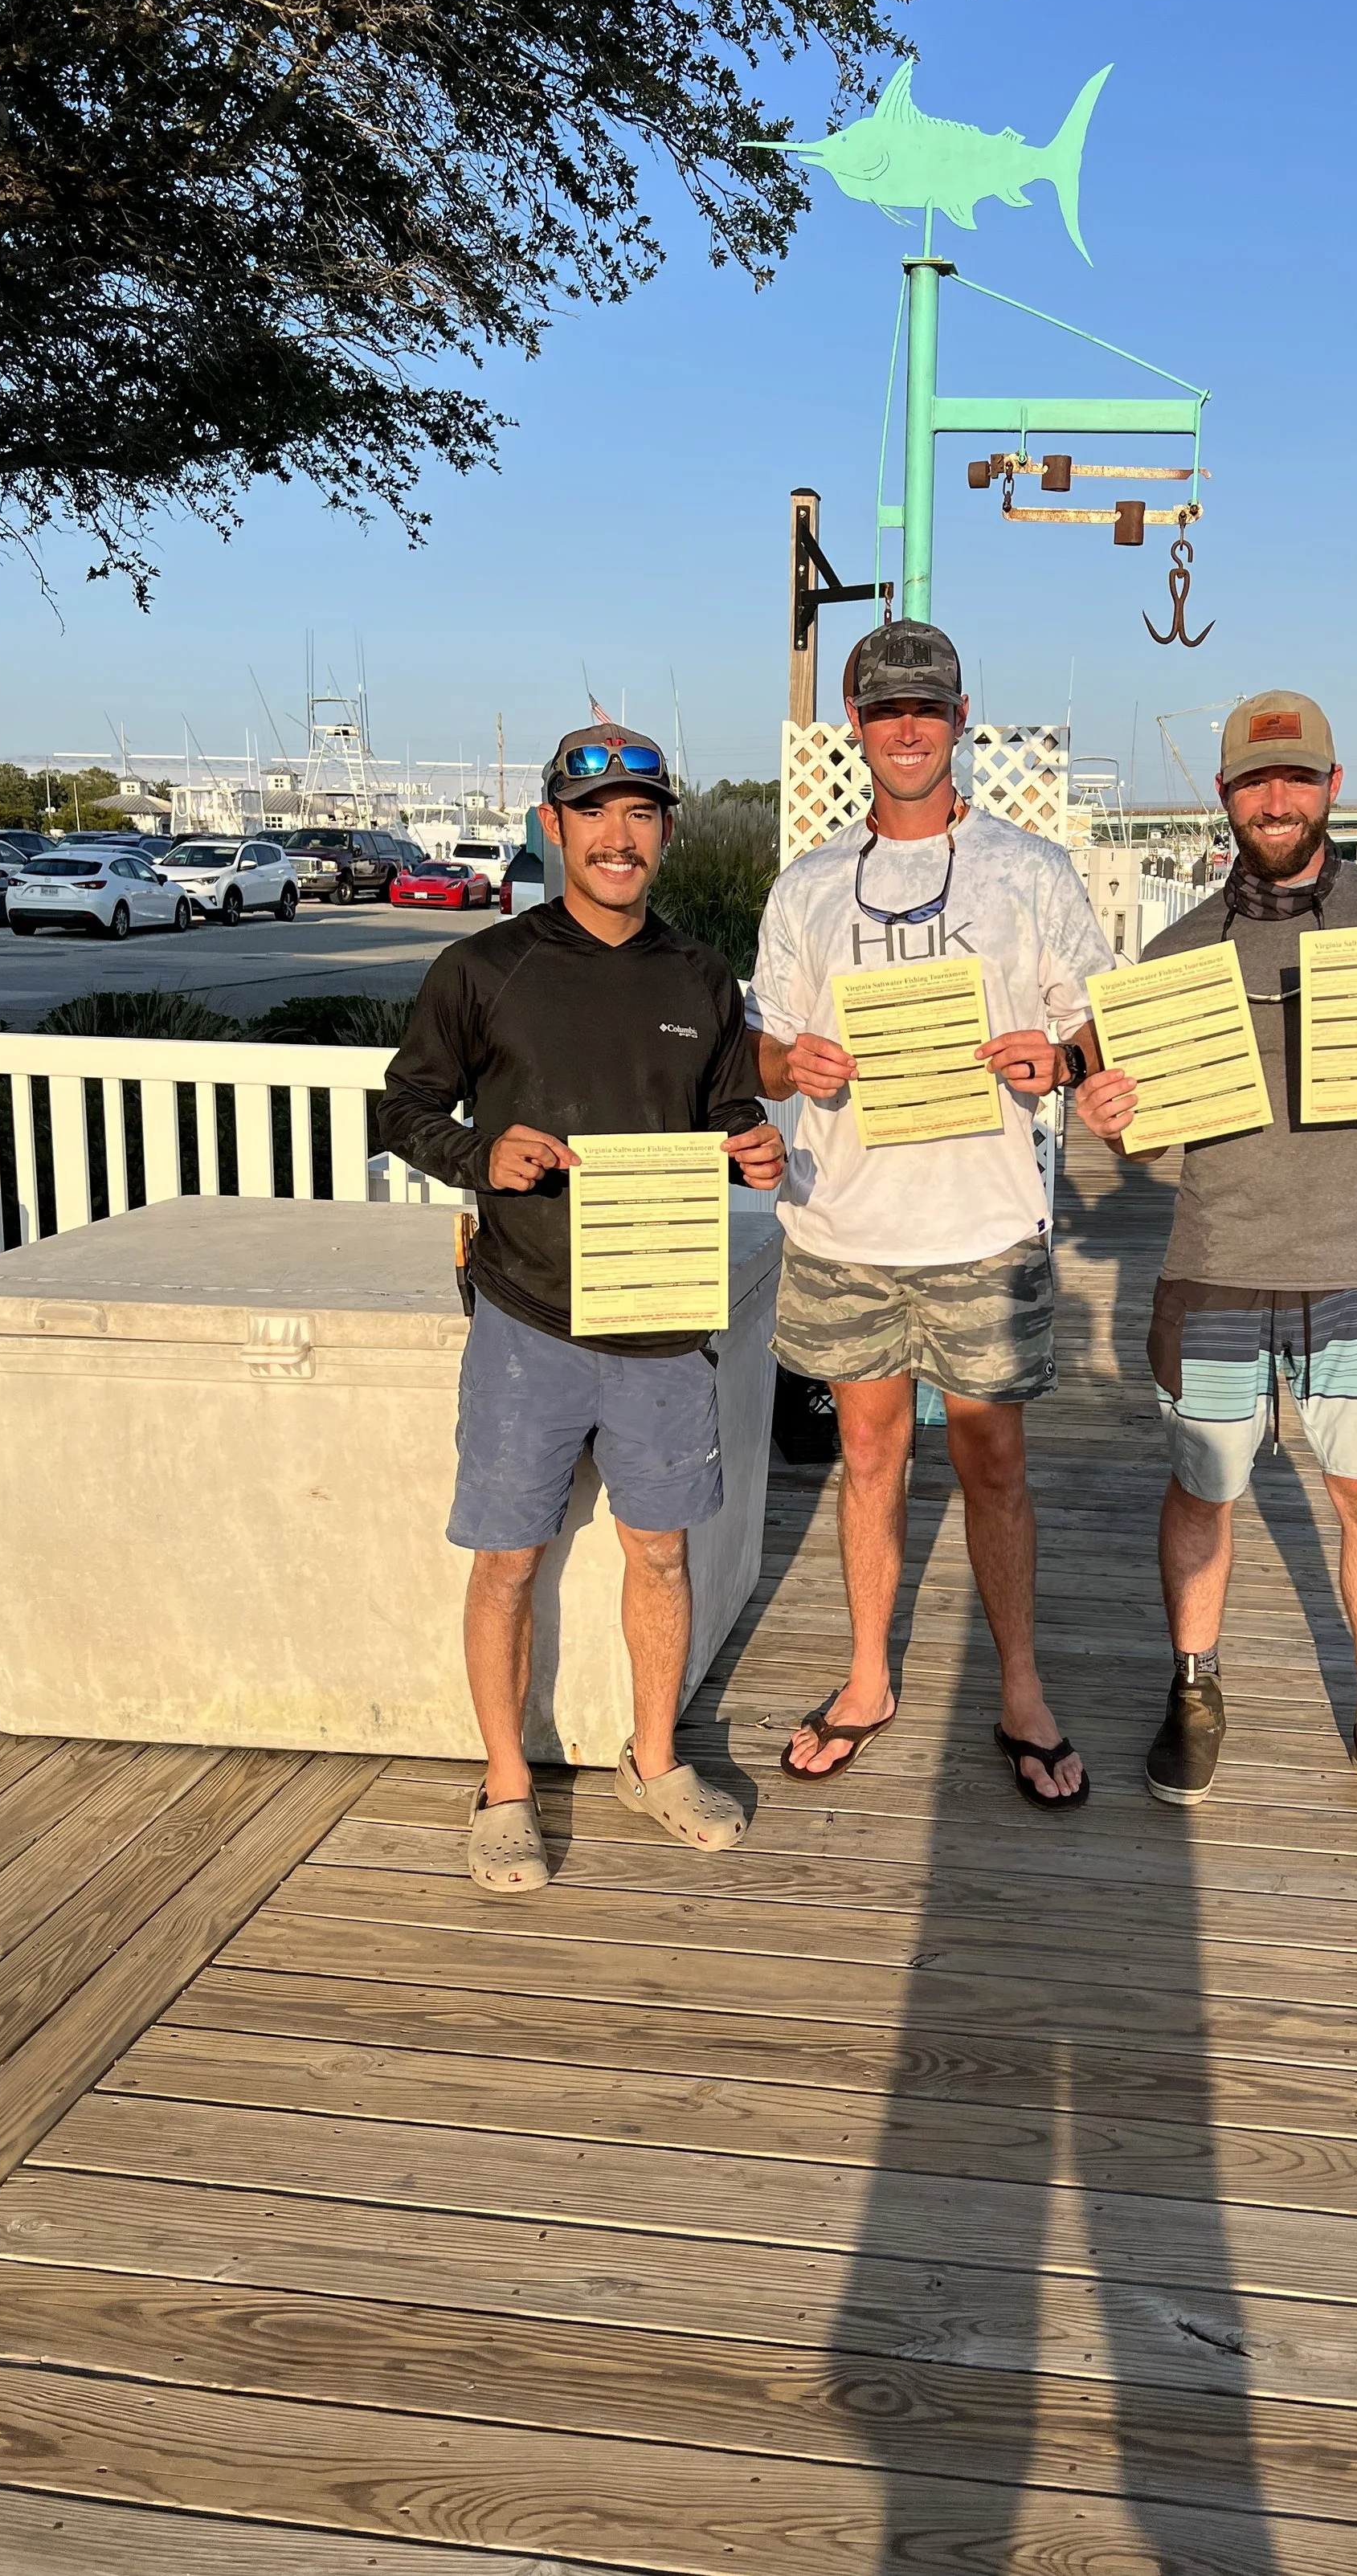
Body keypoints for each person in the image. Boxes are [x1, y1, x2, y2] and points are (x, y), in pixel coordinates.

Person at [1076, 689, 1357, 1838]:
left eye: (1299, 778)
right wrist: (1110, 1113)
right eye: (1255, 782)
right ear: (1224, 798)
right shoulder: (1174, 951)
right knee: (1203, 1488)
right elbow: (1138, 1131)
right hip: (1214, 1260)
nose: (1278, 799)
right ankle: (1195, 1685)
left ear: (1333, 786)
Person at [378, 723, 786, 1888]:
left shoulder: (704, 978)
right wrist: (477, 1156)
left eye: (642, 813)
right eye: (594, 813)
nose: (619, 837)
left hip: (662, 1322)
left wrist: (752, 1151)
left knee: (659, 1552)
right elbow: (403, 1111)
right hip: (527, 1317)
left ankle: (652, 1762)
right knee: (508, 1559)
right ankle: (505, 1784)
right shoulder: (483, 968)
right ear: (552, 827)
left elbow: (723, 1126)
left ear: (664, 831)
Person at [748, 621, 1114, 1806]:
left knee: (994, 1459)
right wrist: (788, 1063)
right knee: (867, 1457)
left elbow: (1098, 1028)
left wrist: (1052, 1059)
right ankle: (867, 1675)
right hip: (844, 1224)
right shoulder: (804, 885)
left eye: (928, 707)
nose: (906, 728)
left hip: (983, 1224)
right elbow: (762, 1043)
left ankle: (1019, 1685)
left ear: (963, 718)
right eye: (883, 709)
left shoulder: (1033, 872)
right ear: (853, 726)